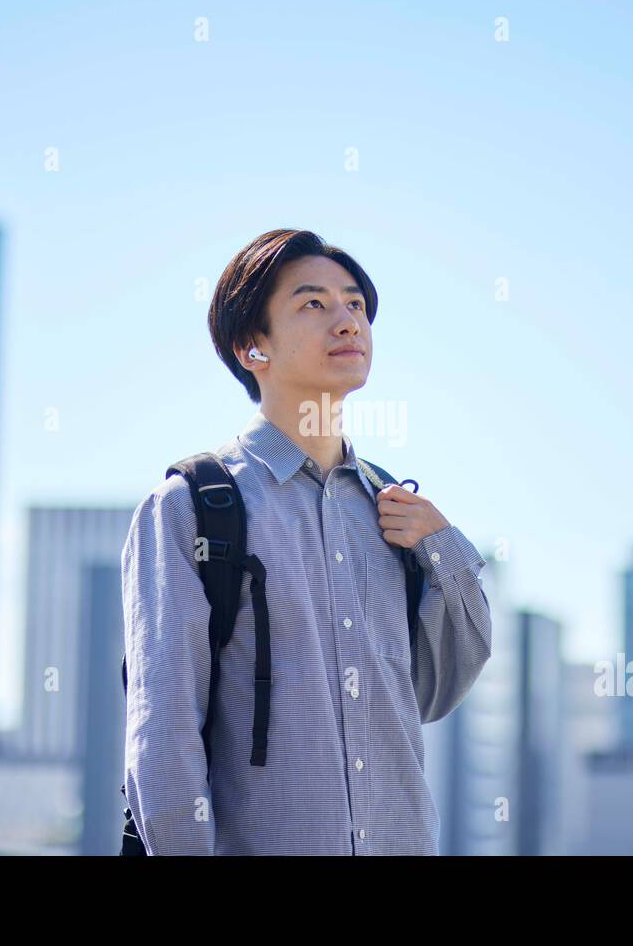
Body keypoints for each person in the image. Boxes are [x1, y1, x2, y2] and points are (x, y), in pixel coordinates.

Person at [121, 228, 492, 854]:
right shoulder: (192, 508)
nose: (348, 322)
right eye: (313, 304)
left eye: (355, 304)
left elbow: (436, 692)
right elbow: (163, 738)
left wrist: (445, 550)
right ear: (251, 348)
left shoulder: (395, 510)